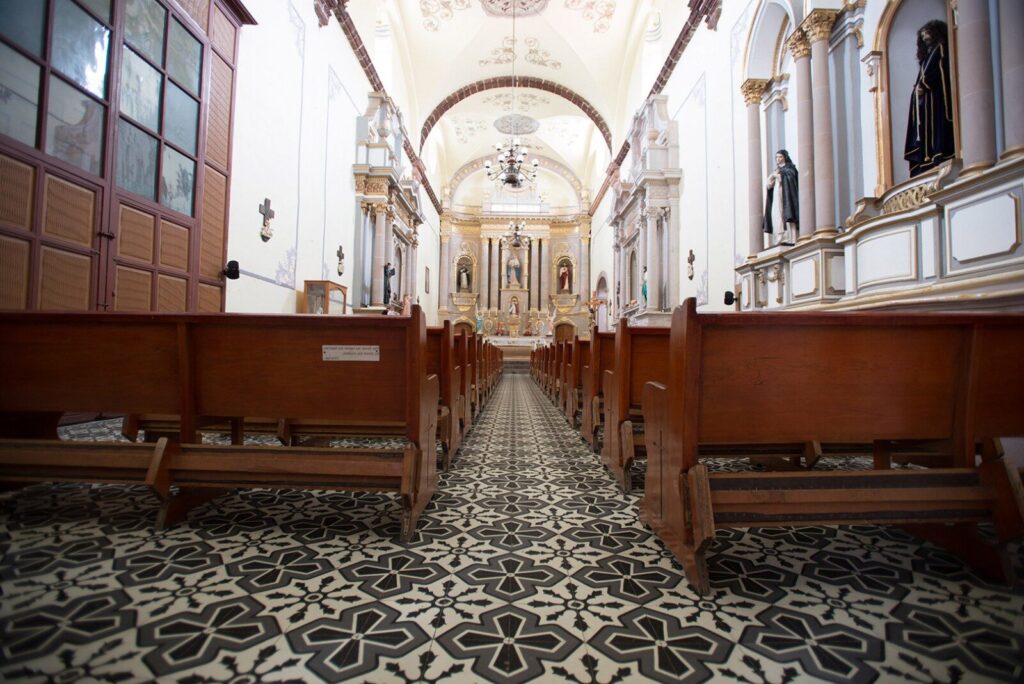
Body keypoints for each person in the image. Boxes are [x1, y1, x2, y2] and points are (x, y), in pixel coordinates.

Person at [905, 20, 954, 177]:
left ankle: (937, 154)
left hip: (936, 100)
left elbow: (941, 72)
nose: (925, 36)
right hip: (927, 103)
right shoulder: (927, 57)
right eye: (923, 34)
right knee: (926, 130)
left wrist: (924, 85)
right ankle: (927, 158)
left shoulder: (941, 49)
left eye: (928, 32)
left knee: (937, 126)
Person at [763, 149, 799, 246]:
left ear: (785, 157)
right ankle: (779, 238)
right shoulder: (776, 171)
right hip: (776, 196)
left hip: (786, 197)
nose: (778, 159)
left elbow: (792, 180)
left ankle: (790, 238)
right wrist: (773, 177)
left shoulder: (790, 169)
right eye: (776, 157)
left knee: (786, 216)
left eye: (780, 157)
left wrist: (780, 176)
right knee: (776, 216)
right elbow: (769, 185)